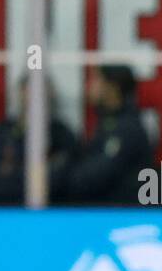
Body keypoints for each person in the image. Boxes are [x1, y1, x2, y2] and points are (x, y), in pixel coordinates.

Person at [53, 64, 154, 205]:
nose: (90, 86)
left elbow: (94, 177)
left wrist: (55, 178)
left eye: (96, 81)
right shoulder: (107, 123)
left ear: (112, 88)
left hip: (121, 215)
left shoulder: (127, 130)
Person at [0, 78, 79, 205]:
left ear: (50, 95)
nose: (34, 97)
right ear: (20, 94)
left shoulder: (63, 135)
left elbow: (64, 180)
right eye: (29, 91)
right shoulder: (0, 133)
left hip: (53, 211)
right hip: (3, 210)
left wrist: (13, 171)